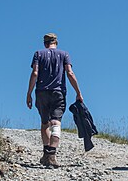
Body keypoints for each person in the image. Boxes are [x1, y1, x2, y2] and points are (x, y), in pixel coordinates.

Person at [26, 33, 84, 168]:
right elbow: (69, 73)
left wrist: (29, 93)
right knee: (55, 123)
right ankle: (51, 155)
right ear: (56, 42)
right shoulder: (64, 54)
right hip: (58, 92)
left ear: (45, 43)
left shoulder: (38, 54)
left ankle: (46, 154)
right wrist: (78, 92)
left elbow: (35, 73)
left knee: (45, 123)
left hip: (41, 92)